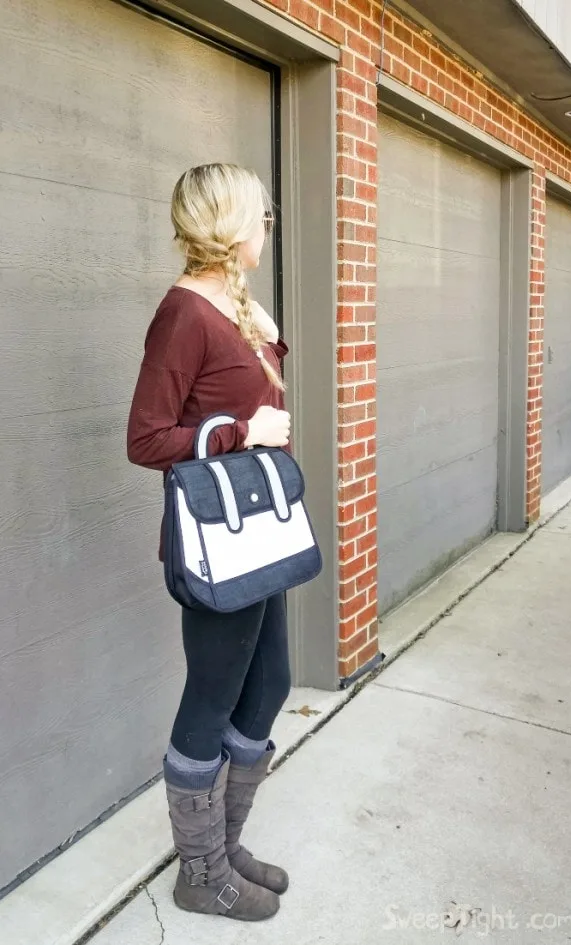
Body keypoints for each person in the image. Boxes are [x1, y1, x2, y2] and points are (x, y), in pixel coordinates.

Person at [127, 164, 292, 921]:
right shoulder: (183, 314)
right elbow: (146, 437)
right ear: (230, 225)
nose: (270, 223)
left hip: (262, 535)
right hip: (219, 547)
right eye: (261, 213)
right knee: (212, 699)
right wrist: (240, 432)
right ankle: (201, 873)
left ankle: (220, 850)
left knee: (270, 686)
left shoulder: (233, 309)